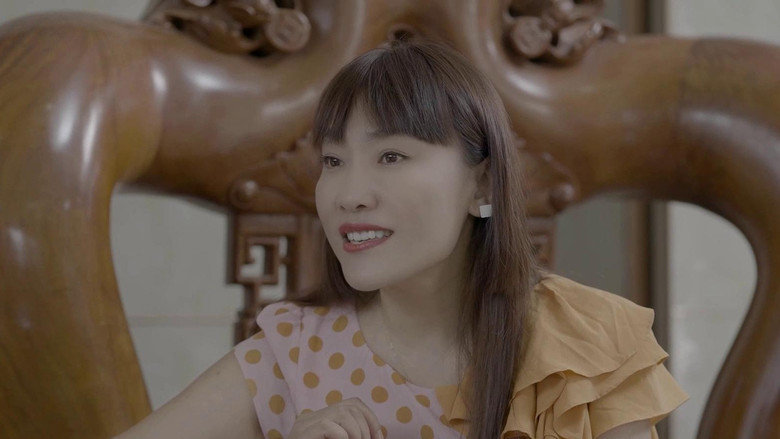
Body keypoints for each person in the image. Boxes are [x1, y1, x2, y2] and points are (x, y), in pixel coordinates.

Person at [115, 39, 688, 439]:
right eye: (333, 160)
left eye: (391, 156)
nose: (348, 194)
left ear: (482, 183)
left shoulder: (589, 347)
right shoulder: (291, 352)